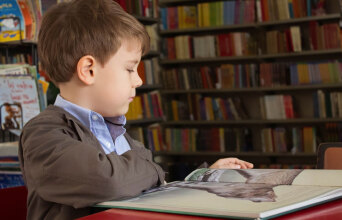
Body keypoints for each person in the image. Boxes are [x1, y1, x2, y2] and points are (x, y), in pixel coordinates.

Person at [18, 0, 253, 219]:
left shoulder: (116, 130)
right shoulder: (42, 134)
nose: (138, 81)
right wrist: (151, 166)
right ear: (88, 70)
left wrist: (201, 178)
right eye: (130, 69)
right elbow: (108, 182)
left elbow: (144, 184)